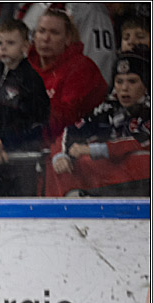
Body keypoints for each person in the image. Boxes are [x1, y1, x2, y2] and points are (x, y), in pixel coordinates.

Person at [46, 47, 151, 197]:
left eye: (132, 81)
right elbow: (72, 131)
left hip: (142, 189)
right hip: (112, 182)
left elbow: (140, 141)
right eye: (119, 82)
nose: (124, 88)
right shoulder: (107, 108)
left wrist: (95, 149)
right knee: (61, 163)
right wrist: (61, 156)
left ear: (145, 84)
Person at [0, 19, 50, 196]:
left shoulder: (31, 81)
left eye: (10, 43)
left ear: (25, 45)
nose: (3, 48)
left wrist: (6, 143)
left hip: (22, 161)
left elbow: (37, 124)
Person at [27, 8, 107, 145]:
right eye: (41, 31)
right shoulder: (26, 66)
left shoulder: (81, 68)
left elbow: (67, 120)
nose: (46, 38)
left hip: (68, 148)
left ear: (68, 38)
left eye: (54, 33)